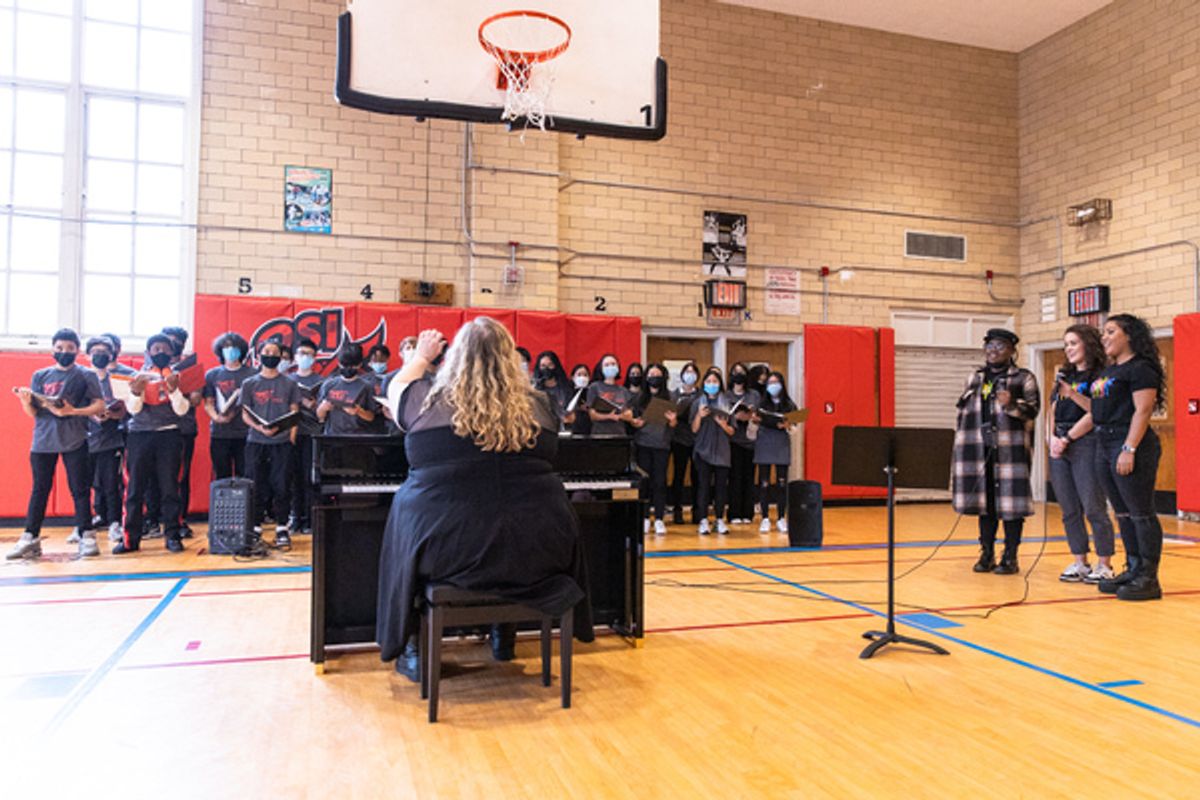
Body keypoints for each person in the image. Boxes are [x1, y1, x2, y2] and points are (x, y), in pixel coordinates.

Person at [376, 320, 594, 681]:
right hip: (538, 549)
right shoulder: (539, 406)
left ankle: (414, 648)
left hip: (449, 551)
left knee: (408, 525)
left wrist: (420, 356)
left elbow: (395, 386)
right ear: (511, 361)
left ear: (454, 360)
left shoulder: (425, 401)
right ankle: (502, 635)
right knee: (503, 524)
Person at [1086, 314, 1167, 601]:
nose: (1104, 337)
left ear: (1129, 335)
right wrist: (1071, 395)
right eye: (1103, 332)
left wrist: (1129, 448)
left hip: (1129, 442)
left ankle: (1148, 576)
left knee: (1140, 512)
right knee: (1121, 512)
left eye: (1111, 331)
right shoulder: (1109, 371)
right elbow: (1098, 408)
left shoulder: (1141, 368)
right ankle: (1132, 567)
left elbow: (1142, 411)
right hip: (1103, 442)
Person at [7, 329, 105, 560]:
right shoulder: (40, 376)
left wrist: (73, 411)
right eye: (60, 348)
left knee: (79, 490)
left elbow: (99, 405)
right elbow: (33, 412)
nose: (64, 352)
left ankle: (86, 534)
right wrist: (25, 401)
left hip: (75, 439)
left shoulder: (85, 375)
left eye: (70, 348)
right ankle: (30, 537)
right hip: (43, 441)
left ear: (77, 351)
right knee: (40, 490)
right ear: (53, 349)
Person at [952, 328, 1040, 575]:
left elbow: (1032, 410)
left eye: (1000, 346)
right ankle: (987, 552)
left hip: (1009, 452)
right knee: (985, 503)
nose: (993, 351)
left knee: (1011, 505)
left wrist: (1009, 404)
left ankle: (1010, 556)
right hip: (978, 450)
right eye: (989, 346)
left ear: (1012, 350)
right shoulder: (975, 377)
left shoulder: (1024, 378)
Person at [1046, 324, 1116, 583]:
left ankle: (1105, 563)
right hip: (1060, 443)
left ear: (1088, 343)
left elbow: (1095, 412)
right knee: (1068, 509)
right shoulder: (1064, 375)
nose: (1069, 349)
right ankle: (1080, 561)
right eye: (1066, 344)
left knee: (1093, 506)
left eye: (1074, 343)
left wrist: (1067, 437)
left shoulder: (1099, 377)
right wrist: (1051, 438)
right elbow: (1052, 409)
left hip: (1086, 442)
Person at [115, 334, 191, 554]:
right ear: (148, 352)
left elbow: (182, 410)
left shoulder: (177, 376)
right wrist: (136, 392)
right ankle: (130, 539)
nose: (160, 353)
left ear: (172, 353)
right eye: (155, 349)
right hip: (140, 436)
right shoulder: (136, 376)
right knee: (134, 488)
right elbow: (133, 410)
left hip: (169, 436)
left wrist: (174, 389)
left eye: (165, 349)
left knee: (170, 488)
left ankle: (173, 536)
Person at [241, 339, 301, 547]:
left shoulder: (290, 383)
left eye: (275, 352)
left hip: (282, 441)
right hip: (256, 441)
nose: (271, 355)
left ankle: (282, 527)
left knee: (282, 484)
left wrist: (290, 433)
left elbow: (295, 411)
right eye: (266, 351)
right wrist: (259, 428)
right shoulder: (249, 383)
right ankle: (255, 527)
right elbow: (245, 414)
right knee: (256, 483)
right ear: (259, 355)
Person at [83, 336, 127, 546]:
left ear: (111, 355)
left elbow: (125, 408)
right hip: (86, 439)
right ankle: (83, 526)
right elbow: (75, 406)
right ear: (88, 355)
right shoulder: (83, 377)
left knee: (111, 484)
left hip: (112, 438)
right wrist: (93, 414)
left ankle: (115, 523)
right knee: (85, 485)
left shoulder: (116, 379)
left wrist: (112, 414)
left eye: (104, 352)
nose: (100, 355)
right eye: (95, 351)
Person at [631, 363, 677, 535]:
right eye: (651, 374)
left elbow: (673, 426)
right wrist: (636, 423)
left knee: (660, 482)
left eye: (658, 375)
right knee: (644, 483)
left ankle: (659, 518)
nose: (654, 378)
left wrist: (673, 422)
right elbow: (632, 421)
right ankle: (644, 518)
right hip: (643, 444)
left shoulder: (670, 398)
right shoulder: (638, 398)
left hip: (661, 445)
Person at [204, 332, 255, 479]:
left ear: (241, 351)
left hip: (246, 433)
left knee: (246, 475)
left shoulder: (252, 374)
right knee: (221, 475)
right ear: (220, 351)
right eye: (226, 347)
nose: (231, 350)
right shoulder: (212, 375)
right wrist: (216, 418)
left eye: (234, 347)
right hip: (220, 434)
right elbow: (208, 403)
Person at [690, 368, 735, 535]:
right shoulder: (698, 402)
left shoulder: (727, 403)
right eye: (708, 382)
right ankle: (703, 520)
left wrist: (723, 424)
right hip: (703, 450)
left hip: (722, 451)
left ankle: (719, 519)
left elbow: (732, 431)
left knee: (721, 487)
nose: (711, 385)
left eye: (715, 382)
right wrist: (699, 416)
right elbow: (694, 429)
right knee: (703, 486)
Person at [753, 371, 797, 534]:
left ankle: (780, 517)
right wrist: (755, 421)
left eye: (776, 382)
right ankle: (765, 517)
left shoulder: (789, 404)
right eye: (770, 383)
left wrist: (788, 426)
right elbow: (753, 427)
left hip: (781, 445)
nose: (773, 386)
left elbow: (795, 427)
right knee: (764, 482)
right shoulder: (762, 404)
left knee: (781, 482)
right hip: (764, 443)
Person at [288, 337, 324, 534]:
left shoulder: (321, 381)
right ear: (295, 357)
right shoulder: (288, 380)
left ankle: (310, 518)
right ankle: (296, 517)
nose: (305, 357)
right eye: (301, 353)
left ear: (315, 358)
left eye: (309, 354)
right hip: (292, 433)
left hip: (313, 434)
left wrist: (316, 404)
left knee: (310, 477)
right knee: (293, 477)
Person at [725, 362, 761, 525]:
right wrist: (735, 417)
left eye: (742, 372)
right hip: (732, 441)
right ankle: (734, 513)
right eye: (735, 372)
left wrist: (752, 416)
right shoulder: (725, 395)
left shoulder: (753, 395)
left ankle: (748, 512)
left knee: (749, 477)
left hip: (750, 440)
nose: (738, 375)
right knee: (735, 477)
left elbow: (760, 415)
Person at [317, 343, 377, 434]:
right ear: (339, 363)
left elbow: (371, 417)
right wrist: (322, 408)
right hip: (332, 436)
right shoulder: (328, 385)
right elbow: (319, 416)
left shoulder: (367, 386)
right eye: (345, 365)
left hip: (358, 437)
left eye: (353, 365)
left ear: (360, 364)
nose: (348, 368)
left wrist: (359, 411)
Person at [669, 361, 701, 525]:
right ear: (681, 375)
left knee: (697, 477)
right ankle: (677, 510)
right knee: (679, 476)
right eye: (687, 371)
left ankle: (697, 510)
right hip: (678, 438)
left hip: (697, 440)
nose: (690, 375)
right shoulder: (673, 395)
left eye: (693, 372)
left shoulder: (701, 395)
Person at [587, 354, 633, 436]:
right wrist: (609, 416)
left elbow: (629, 416)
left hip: (620, 434)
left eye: (613, 364)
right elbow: (592, 415)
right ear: (601, 368)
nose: (610, 367)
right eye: (606, 365)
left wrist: (619, 416)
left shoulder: (624, 390)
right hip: (599, 434)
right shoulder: (594, 387)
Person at [533, 350, 573, 427]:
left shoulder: (565, 388)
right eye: (543, 366)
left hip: (561, 429)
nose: (546, 369)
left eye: (550, 365)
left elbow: (571, 413)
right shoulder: (535, 388)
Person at [567, 363, 592, 436]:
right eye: (579, 375)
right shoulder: (568, 392)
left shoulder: (592, 392)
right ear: (573, 377)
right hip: (572, 429)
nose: (582, 377)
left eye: (585, 375)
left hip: (589, 429)